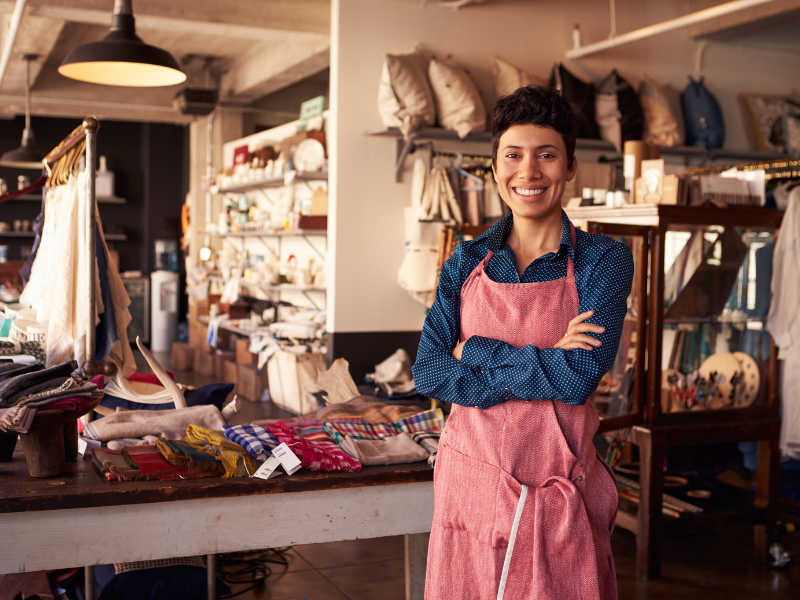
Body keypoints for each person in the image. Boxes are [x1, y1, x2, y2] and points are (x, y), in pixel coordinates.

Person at [412, 85, 634, 600]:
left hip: (559, 494)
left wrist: (477, 352)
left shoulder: (605, 260)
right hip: (469, 483)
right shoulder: (467, 262)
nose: (528, 172)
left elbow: (578, 379)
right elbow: (428, 370)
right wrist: (549, 356)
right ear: (494, 169)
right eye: (513, 155)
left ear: (571, 166)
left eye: (546, 155)